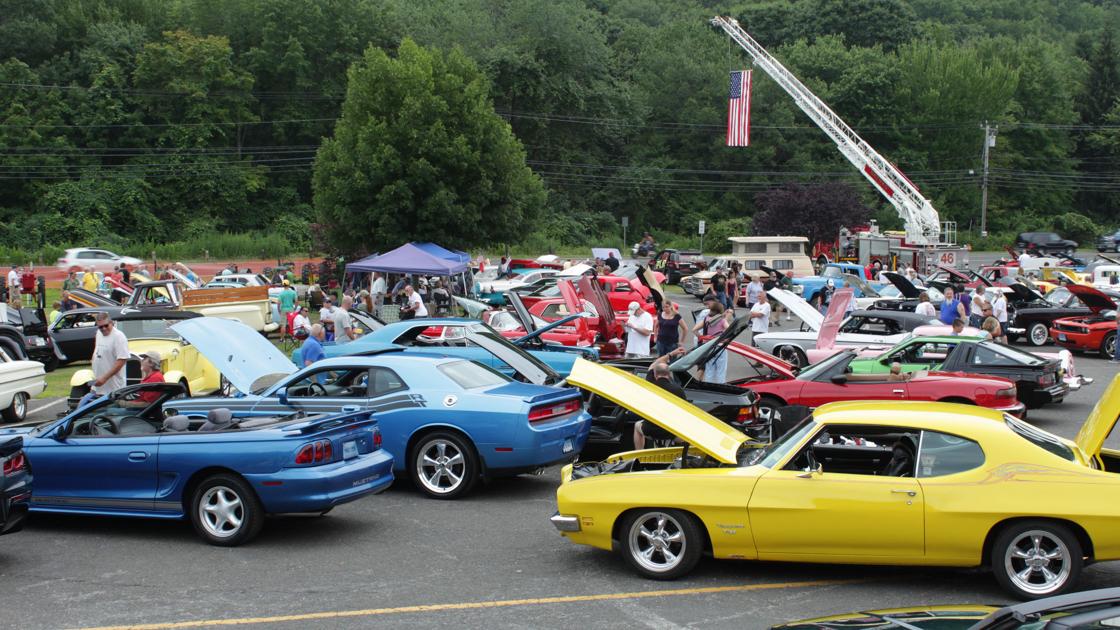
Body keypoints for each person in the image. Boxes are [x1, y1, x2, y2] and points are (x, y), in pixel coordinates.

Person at [632, 348, 688, 449]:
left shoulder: (650, 384)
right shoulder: (678, 390)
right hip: (671, 431)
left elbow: (655, 364)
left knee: (637, 426)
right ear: (669, 374)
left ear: (655, 374)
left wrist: (671, 354)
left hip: (649, 430)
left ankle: (638, 456)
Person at [78, 312, 130, 408]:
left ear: (111, 323)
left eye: (106, 326)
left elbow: (121, 360)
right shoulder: (99, 333)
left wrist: (104, 378)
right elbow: (97, 351)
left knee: (109, 412)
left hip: (113, 387)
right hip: (98, 385)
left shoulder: (119, 337)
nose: (104, 329)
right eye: (100, 327)